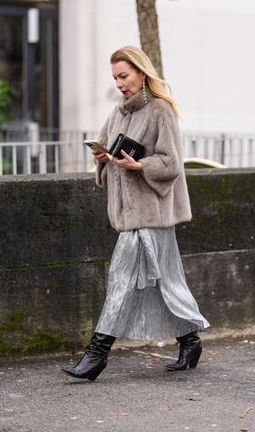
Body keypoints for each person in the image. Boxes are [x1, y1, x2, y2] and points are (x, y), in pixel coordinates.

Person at [62, 45, 210, 381]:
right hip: (128, 216)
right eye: (115, 77)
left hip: (153, 214)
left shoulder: (161, 111)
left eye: (124, 75)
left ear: (142, 73)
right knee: (166, 283)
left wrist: (139, 164)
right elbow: (102, 148)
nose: (119, 83)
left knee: (121, 280)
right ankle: (190, 341)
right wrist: (102, 159)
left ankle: (96, 355)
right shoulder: (116, 114)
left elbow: (172, 162)